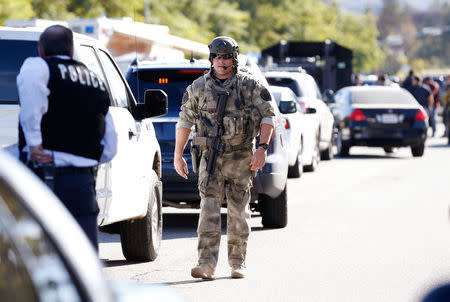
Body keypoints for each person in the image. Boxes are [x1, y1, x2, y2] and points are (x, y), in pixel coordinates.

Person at [174, 36, 275, 280]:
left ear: (234, 58)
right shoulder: (198, 87)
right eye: (217, 56)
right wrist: (178, 155)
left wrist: (261, 149)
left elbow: (268, 117)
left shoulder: (249, 85)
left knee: (238, 211)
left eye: (226, 56)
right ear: (211, 59)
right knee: (208, 209)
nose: (221, 61)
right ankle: (206, 264)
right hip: (210, 158)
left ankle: (238, 262)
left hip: (241, 157)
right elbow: (185, 121)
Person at [17, 25, 117, 251]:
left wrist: (34, 144)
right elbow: (110, 145)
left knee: (44, 254)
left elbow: (32, 104)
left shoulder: (38, 66)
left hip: (46, 177)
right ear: (72, 51)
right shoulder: (95, 81)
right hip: (83, 183)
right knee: (84, 254)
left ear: (41, 50)